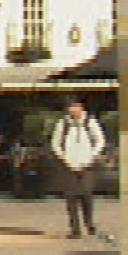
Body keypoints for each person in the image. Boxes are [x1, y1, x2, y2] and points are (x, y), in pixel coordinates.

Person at [49, 99, 109, 239]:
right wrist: (63, 157)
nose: (73, 111)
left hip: (86, 164)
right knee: (70, 197)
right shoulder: (63, 123)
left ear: (81, 108)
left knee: (86, 195)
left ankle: (89, 224)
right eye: (71, 108)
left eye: (76, 107)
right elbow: (55, 142)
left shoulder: (90, 122)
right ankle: (75, 229)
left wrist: (92, 155)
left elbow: (100, 140)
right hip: (69, 164)